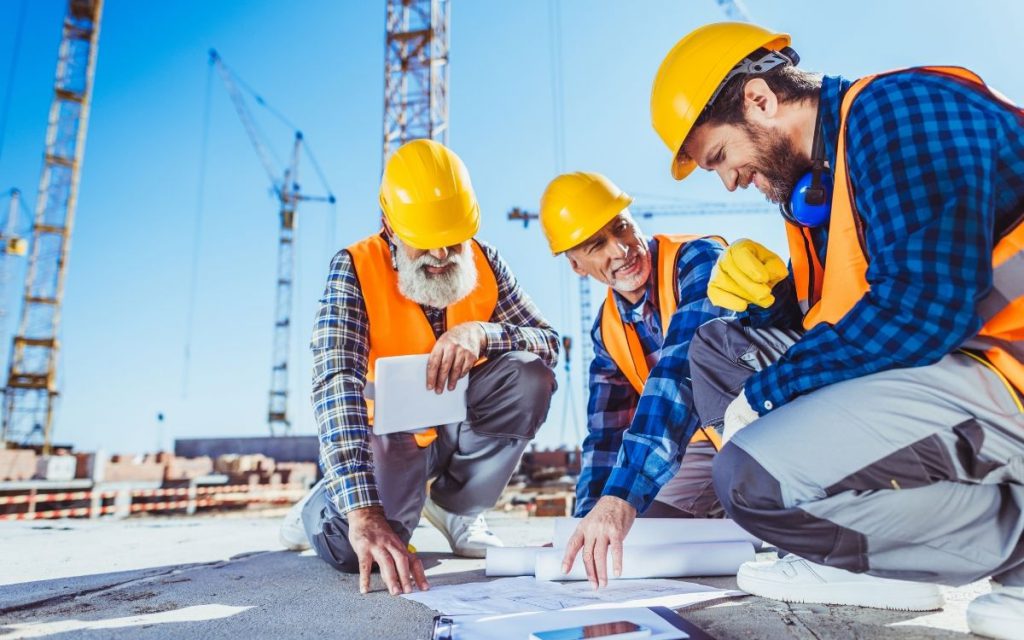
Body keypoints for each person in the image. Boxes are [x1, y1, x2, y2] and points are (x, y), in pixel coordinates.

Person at [650, 21, 1024, 639]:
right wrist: (771, 308)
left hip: (1002, 368)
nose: (729, 180)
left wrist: (772, 394)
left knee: (752, 482)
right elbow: (848, 315)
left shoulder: (895, 111)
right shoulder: (822, 184)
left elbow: (922, 305)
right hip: (956, 361)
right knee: (721, 348)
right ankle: (860, 563)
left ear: (760, 100)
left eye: (720, 156)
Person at [279, 139, 559, 596]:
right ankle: (324, 503)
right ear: (390, 226)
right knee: (360, 553)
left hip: (457, 424)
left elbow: (548, 344)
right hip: (389, 437)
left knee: (530, 376)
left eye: (452, 240)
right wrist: (363, 512)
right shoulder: (354, 269)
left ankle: (458, 509)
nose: (442, 255)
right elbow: (336, 385)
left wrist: (482, 334)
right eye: (425, 244)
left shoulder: (487, 263)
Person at [537, 171, 732, 589]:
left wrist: (623, 496)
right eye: (597, 245)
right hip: (694, 450)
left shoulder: (699, 259)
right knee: (639, 535)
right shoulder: (606, 331)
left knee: (636, 510)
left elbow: (679, 371)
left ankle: (751, 506)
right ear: (576, 264)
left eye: (621, 226)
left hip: (752, 427)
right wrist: (584, 525)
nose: (622, 249)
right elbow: (605, 438)